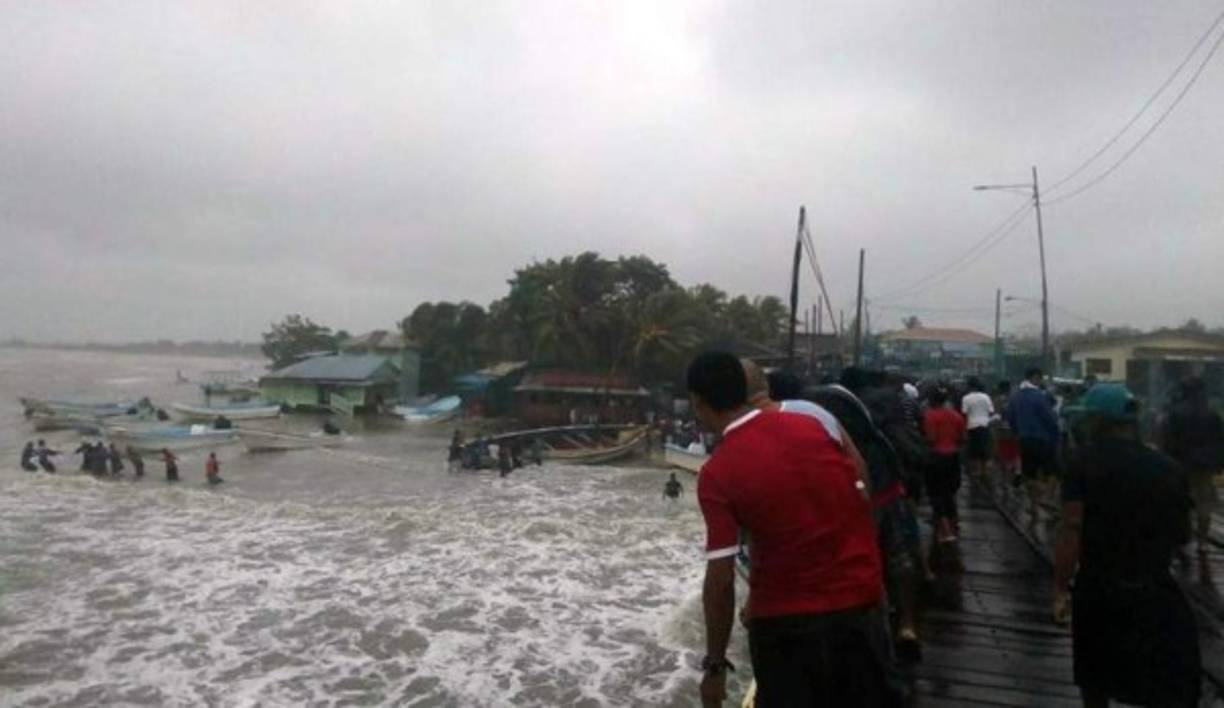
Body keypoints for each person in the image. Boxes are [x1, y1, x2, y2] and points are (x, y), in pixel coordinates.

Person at [687, 352, 896, 707]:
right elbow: (860, 488)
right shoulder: (811, 425)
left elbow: (720, 582)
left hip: (787, 627)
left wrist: (715, 667)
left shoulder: (717, 473)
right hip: (860, 607)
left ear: (697, 402)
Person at [1053, 383, 1200, 708]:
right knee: (1158, 679)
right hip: (1154, 587)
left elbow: (1071, 528)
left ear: (1097, 421)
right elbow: (1182, 538)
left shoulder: (1082, 462)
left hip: (1098, 586)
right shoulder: (1168, 468)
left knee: (1095, 680)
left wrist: (1061, 589)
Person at [1161, 376, 1223, 584]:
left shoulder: (1175, 413)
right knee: (1204, 503)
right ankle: (1203, 543)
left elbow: (1167, 441)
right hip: (1204, 466)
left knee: (1181, 503)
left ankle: (1183, 541)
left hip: (1180, 465)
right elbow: (1220, 441)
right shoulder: (1212, 415)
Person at [1005, 367, 1061, 521]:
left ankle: (1034, 506)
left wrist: (1018, 431)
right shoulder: (1039, 396)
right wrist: (1056, 435)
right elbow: (1049, 419)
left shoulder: (1015, 396)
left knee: (1029, 473)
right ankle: (1046, 497)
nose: (1041, 381)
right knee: (1053, 472)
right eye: (1040, 378)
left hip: (1024, 440)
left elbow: (1010, 416)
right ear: (1035, 377)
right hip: (1044, 440)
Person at [922, 388, 965, 544]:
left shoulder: (930, 415)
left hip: (936, 458)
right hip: (953, 457)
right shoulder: (955, 415)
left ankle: (944, 531)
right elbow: (962, 437)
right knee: (950, 492)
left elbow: (931, 439)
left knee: (936, 494)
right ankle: (954, 525)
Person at [961, 377, 995, 485]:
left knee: (973, 453)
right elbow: (991, 412)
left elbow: (965, 414)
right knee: (985, 451)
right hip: (985, 426)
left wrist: (964, 431)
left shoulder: (966, 398)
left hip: (972, 427)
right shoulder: (986, 397)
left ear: (969, 386)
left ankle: (976, 474)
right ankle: (985, 473)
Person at [992, 381, 1020, 481]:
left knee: (1005, 454)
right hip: (1015, 430)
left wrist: (993, 428)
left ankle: (1007, 477)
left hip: (1002, 432)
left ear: (1000, 389)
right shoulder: (1016, 399)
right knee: (1015, 453)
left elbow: (996, 417)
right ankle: (1017, 471)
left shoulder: (998, 401)